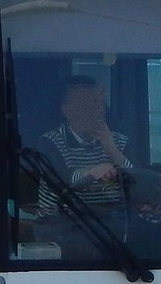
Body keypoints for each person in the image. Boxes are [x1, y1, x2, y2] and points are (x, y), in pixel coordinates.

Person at [36, 75, 131, 217]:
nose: (95, 110)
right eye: (85, 104)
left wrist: (112, 150)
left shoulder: (120, 141)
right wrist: (93, 172)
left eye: (98, 103)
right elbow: (59, 178)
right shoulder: (49, 142)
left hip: (111, 229)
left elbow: (138, 185)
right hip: (57, 227)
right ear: (66, 110)